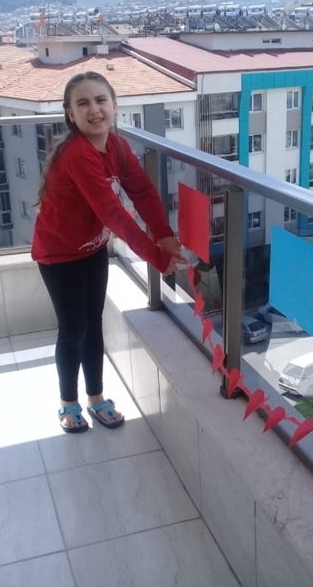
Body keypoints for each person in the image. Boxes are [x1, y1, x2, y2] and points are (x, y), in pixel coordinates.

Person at [32, 71, 186, 434]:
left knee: (93, 324)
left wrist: (164, 235)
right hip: (59, 255)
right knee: (73, 329)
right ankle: (68, 403)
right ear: (70, 114)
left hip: (92, 248)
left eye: (101, 100)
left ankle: (96, 398)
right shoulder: (78, 155)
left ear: (115, 106)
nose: (94, 109)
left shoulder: (116, 146)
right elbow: (113, 215)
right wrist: (157, 257)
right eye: (82, 103)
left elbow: (142, 191)